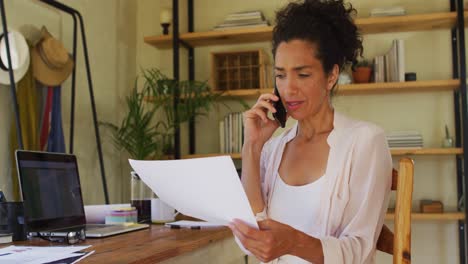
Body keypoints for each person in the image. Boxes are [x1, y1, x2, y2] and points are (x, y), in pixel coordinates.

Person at [228, 0, 392, 263]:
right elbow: (250, 239)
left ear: (331, 76)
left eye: (302, 75)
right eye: (281, 75)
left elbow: (359, 250)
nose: (288, 89)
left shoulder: (365, 142)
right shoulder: (273, 149)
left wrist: (293, 242)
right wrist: (252, 147)